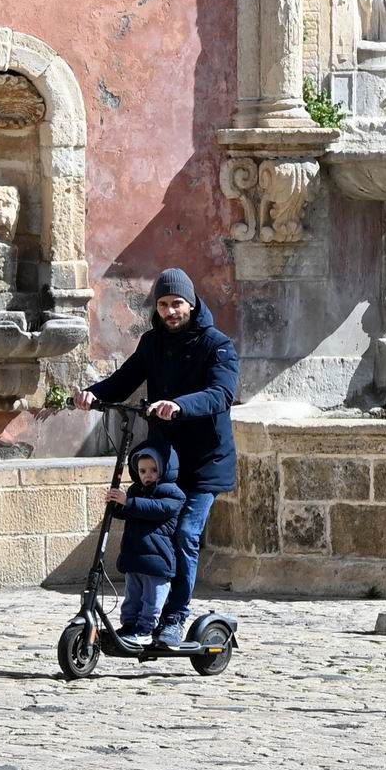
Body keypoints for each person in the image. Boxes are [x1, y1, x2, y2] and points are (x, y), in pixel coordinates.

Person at [75, 269, 237, 645]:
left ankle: (175, 618)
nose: (170, 311)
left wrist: (178, 406)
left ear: (191, 304)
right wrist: (90, 394)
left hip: (204, 465)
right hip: (165, 462)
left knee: (183, 534)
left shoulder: (218, 345)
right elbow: (123, 381)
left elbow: (221, 394)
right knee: (148, 531)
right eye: (163, 304)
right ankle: (143, 615)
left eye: (176, 304)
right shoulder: (153, 343)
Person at [108, 441, 188, 647]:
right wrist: (116, 505)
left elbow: (157, 509)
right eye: (143, 470)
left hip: (157, 561)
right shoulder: (137, 491)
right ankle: (129, 625)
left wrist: (129, 502)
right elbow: (130, 511)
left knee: (152, 600)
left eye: (153, 470)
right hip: (135, 558)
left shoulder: (172, 493)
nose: (148, 475)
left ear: (164, 470)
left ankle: (145, 629)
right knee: (132, 598)